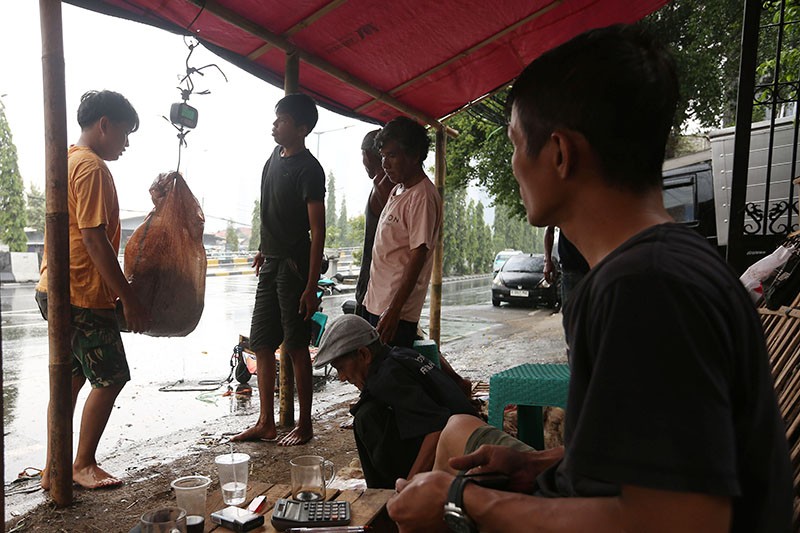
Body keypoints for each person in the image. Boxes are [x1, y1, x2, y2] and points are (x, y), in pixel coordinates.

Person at [386, 24, 794, 532]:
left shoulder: (646, 288)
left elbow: (686, 520)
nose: (514, 165)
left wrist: (461, 506)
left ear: (560, 153)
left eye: (516, 145)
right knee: (459, 430)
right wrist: (538, 462)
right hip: (582, 489)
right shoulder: (665, 262)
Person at [35, 90, 151, 490]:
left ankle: (54, 470)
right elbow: (94, 239)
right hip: (81, 292)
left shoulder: (66, 159)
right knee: (111, 376)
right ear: (104, 124)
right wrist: (128, 297)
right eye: (124, 133)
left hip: (55, 288)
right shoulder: (91, 167)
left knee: (67, 382)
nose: (126, 143)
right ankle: (82, 464)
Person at [232, 93, 325, 446]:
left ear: (301, 128)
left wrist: (310, 285)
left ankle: (305, 424)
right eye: (275, 118)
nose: (275, 124)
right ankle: (266, 422)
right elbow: (270, 210)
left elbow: (317, 232)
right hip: (270, 262)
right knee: (261, 342)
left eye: (282, 120)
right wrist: (262, 248)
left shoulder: (309, 169)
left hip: (293, 267)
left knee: (296, 347)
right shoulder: (273, 158)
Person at [362, 117, 470, 394]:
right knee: (380, 371)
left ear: (414, 155)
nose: (386, 163)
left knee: (395, 378)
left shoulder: (422, 195)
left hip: (394, 308)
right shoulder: (399, 190)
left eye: (393, 155)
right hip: (378, 301)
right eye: (383, 156)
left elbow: (418, 254)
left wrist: (395, 310)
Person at [314, 315, 477, 488]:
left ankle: (386, 494)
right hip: (468, 441)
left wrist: (409, 487)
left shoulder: (387, 378)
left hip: (466, 456)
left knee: (367, 417)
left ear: (364, 354)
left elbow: (436, 428)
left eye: (341, 368)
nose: (342, 377)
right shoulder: (400, 355)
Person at [354, 129, 393, 318]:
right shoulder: (387, 186)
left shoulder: (383, 186)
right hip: (378, 277)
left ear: (368, 155)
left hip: (375, 278)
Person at [543, 225, 589, 306]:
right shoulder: (562, 212)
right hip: (571, 267)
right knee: (571, 312)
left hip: (594, 265)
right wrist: (547, 261)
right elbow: (550, 230)